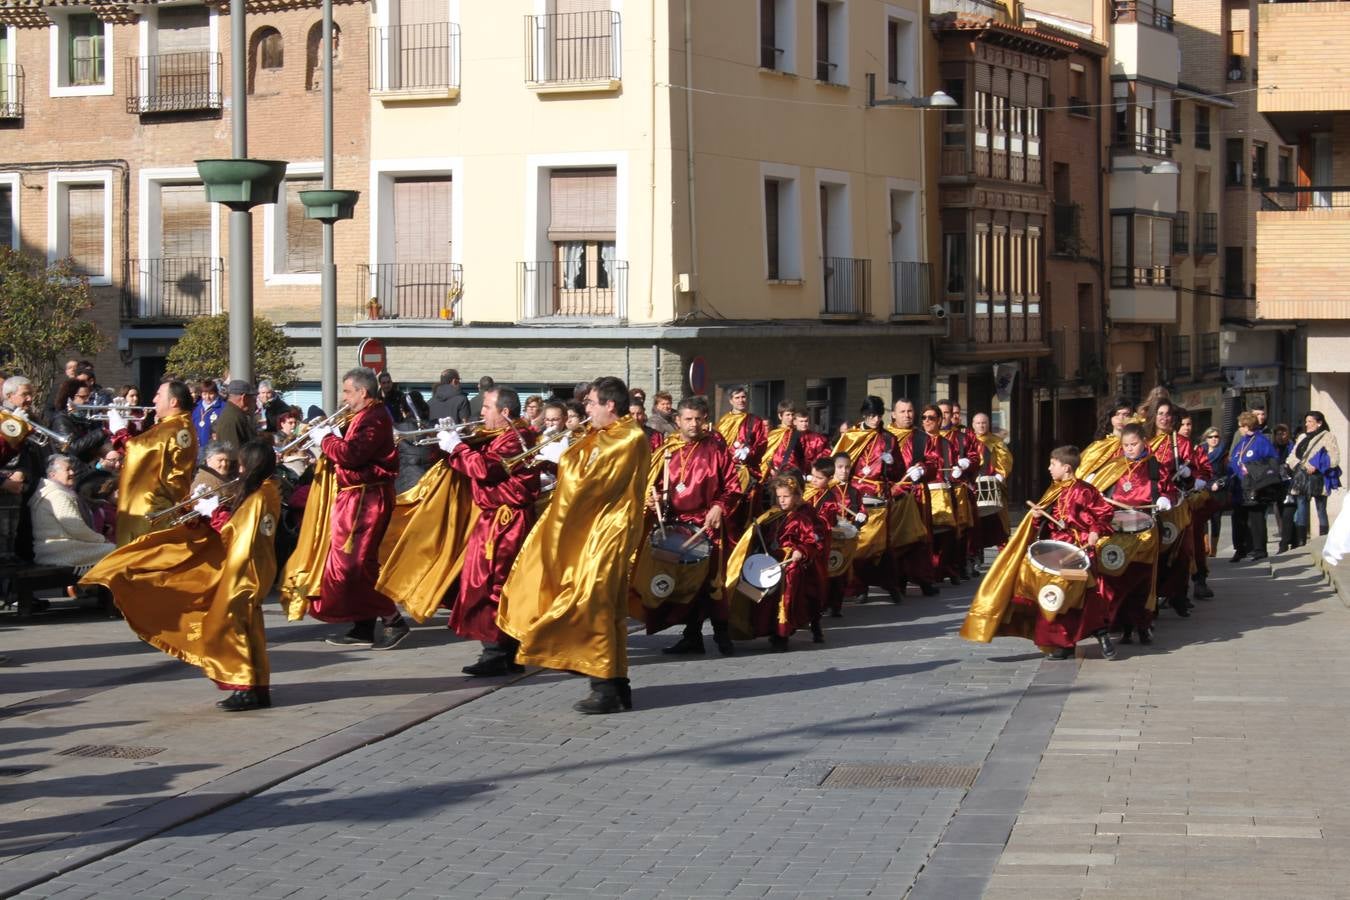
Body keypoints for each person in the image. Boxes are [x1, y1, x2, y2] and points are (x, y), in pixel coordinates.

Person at [86, 439, 283, 712]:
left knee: (226, 625)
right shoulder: (264, 491)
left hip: (245, 571)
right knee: (247, 628)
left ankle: (243, 685)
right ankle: (255, 686)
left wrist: (214, 511)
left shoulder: (261, 495)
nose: (237, 468)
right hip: (249, 568)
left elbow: (237, 533)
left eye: (241, 463)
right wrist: (201, 514)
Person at [498, 376, 651, 715]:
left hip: (609, 531)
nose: (586, 409)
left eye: (592, 403)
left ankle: (602, 682)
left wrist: (563, 459)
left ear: (611, 405)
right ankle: (613, 682)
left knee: (593, 600)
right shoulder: (606, 434)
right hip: (595, 528)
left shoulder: (628, 438)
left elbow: (590, 484)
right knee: (603, 605)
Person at [961, 445, 1115, 660]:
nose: (1049, 468)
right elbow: (1043, 521)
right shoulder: (1054, 489)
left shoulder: (1085, 490)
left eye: (1053, 464)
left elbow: (1105, 513)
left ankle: (1102, 633)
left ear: (1067, 468)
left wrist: (1094, 531)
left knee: (1080, 595)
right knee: (1051, 594)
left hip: (1078, 551)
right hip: (1054, 551)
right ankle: (1063, 643)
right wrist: (1035, 517)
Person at [438, 386, 541, 675]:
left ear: (505, 412)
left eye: (486, 407)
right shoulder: (503, 434)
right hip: (495, 519)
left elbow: (485, 469)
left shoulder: (515, 438)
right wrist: (450, 443)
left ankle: (496, 651)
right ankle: (504, 650)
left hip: (505, 521)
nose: (480, 413)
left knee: (493, 585)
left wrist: (456, 446)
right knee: (486, 582)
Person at [308, 368, 407, 649]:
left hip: (367, 497)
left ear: (363, 392)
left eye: (348, 392)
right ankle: (363, 623)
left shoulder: (374, 417)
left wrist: (326, 439)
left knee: (355, 565)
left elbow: (352, 455)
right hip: (356, 496)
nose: (344, 398)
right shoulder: (363, 415)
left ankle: (392, 619)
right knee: (360, 563)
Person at [644, 395, 740, 656]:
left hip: (708, 524)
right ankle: (692, 636)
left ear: (705, 420)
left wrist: (720, 506)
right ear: (677, 420)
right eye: (688, 419)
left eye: (698, 419)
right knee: (685, 583)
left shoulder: (716, 449)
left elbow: (733, 486)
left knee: (713, 582)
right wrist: (652, 501)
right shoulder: (666, 451)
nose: (693, 424)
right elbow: (652, 486)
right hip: (676, 527)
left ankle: (722, 634)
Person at [725, 473, 826, 651]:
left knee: (786, 590)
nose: (782, 500)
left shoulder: (802, 518)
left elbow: (813, 542)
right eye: (779, 497)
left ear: (796, 496)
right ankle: (765, 627)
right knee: (761, 591)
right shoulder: (773, 514)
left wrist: (801, 551)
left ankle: (782, 633)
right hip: (771, 560)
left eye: (786, 496)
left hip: (790, 562)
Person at [832, 396, 907, 604]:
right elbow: (837, 463)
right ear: (864, 415)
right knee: (859, 542)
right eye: (871, 415)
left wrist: (890, 464)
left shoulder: (889, 439)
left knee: (883, 544)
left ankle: (891, 585)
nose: (875, 420)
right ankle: (860, 587)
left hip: (879, 493)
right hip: (855, 493)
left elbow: (899, 469)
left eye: (878, 415)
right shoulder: (852, 436)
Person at [113, 380, 197, 546]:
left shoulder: (177, 427)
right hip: (158, 506)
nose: (154, 400)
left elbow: (140, 449)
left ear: (173, 402)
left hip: (156, 509)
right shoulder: (172, 425)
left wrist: (120, 431)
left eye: (158, 395)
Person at [30, 454, 115, 571]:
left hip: (53, 550)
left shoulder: (53, 492)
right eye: (67, 469)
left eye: (72, 469)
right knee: (118, 551)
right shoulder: (58, 495)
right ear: (52, 475)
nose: (72, 473)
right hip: (61, 552)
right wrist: (102, 539)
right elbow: (76, 528)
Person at [806, 456, 864, 625]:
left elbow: (829, 518)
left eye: (819, 478)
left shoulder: (849, 492)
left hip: (836, 538)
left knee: (838, 573)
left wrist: (861, 517)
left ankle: (835, 605)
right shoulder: (809, 491)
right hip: (815, 538)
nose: (814, 480)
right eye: (813, 477)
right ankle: (818, 607)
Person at [1228, 411, 1279, 563]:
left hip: (1255, 486)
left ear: (1247, 425)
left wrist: (1252, 468)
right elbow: (1235, 459)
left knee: (1255, 518)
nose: (1239, 429)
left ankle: (1259, 549)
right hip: (1240, 486)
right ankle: (1241, 548)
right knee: (1238, 519)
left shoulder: (1261, 441)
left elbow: (1272, 462)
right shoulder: (1242, 441)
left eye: (1241, 426)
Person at [1286, 411, 1341, 547]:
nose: (1307, 424)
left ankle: (1324, 541)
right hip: (1301, 477)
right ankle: (1301, 542)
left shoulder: (1328, 437)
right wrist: (1300, 465)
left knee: (1321, 509)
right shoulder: (1302, 437)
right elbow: (1292, 456)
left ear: (1319, 423)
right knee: (1302, 508)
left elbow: (1334, 459)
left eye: (1310, 421)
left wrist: (1316, 466)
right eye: (1306, 421)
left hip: (1318, 478)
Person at [969, 412, 1013, 566]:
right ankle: (976, 556)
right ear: (973, 425)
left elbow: (1006, 460)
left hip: (993, 486)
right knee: (976, 523)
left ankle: (1005, 556)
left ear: (988, 424)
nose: (981, 425)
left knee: (998, 522)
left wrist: (1000, 475)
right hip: (975, 487)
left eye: (984, 423)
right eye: (978, 423)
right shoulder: (968, 440)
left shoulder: (996, 441)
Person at [1201, 426, 1228, 558]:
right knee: (1203, 519)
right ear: (1206, 439)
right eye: (1210, 437)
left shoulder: (1223, 453)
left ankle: (1214, 549)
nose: (1213, 439)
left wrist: (1220, 483)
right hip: (1203, 488)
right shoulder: (1200, 452)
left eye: (1216, 436)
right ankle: (1205, 546)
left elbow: (1228, 473)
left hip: (1217, 490)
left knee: (1216, 520)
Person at [212, 380, 259, 451]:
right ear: (244, 398)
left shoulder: (235, 414)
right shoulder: (232, 419)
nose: (255, 403)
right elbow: (232, 454)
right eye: (253, 398)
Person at [193, 380, 223, 453]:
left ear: (216, 393)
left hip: (214, 449)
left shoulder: (222, 407)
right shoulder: (196, 407)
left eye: (211, 394)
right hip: (198, 448)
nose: (207, 397)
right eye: (204, 394)